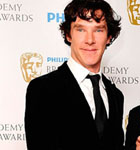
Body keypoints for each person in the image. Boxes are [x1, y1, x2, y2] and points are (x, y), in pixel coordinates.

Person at [24, 0, 124, 150]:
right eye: (81, 30)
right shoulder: (43, 89)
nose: (90, 40)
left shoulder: (115, 95)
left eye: (98, 30)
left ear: (109, 37)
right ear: (68, 35)